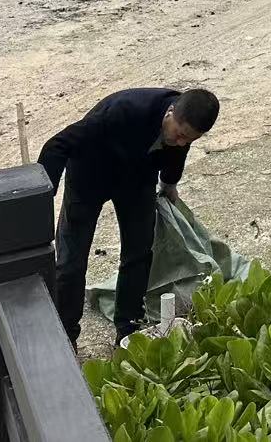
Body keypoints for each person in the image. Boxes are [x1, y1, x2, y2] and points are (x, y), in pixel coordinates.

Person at [39, 86, 220, 347]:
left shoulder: (182, 127)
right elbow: (58, 144)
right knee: (71, 261)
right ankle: (65, 335)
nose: (182, 143)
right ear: (169, 113)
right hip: (90, 175)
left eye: (190, 140)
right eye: (180, 135)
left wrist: (169, 183)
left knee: (139, 254)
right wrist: (43, 193)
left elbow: (177, 153)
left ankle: (128, 329)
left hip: (136, 179)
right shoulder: (124, 111)